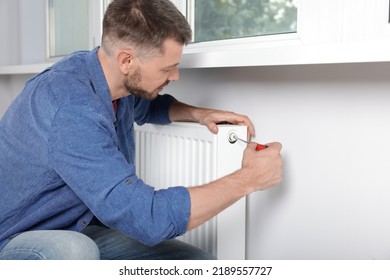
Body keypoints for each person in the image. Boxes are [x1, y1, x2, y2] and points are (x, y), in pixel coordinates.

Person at [0, 0, 282, 260]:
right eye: (167, 68)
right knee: (75, 251)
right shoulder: (71, 108)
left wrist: (197, 113)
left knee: (195, 262)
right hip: (14, 240)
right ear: (127, 61)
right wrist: (249, 179)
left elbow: (145, 107)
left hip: (71, 224)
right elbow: (146, 218)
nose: (175, 76)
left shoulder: (106, 76)